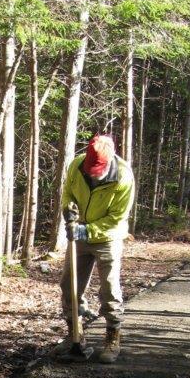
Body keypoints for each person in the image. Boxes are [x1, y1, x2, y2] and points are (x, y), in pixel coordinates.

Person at [56, 133, 135, 364]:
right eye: (90, 168)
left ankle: (113, 336)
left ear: (108, 161)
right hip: (79, 236)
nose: (91, 172)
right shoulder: (77, 165)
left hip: (108, 238)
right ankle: (75, 336)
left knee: (109, 288)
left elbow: (117, 219)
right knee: (69, 285)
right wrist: (69, 210)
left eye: (96, 169)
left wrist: (87, 231)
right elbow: (68, 192)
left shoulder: (122, 177)